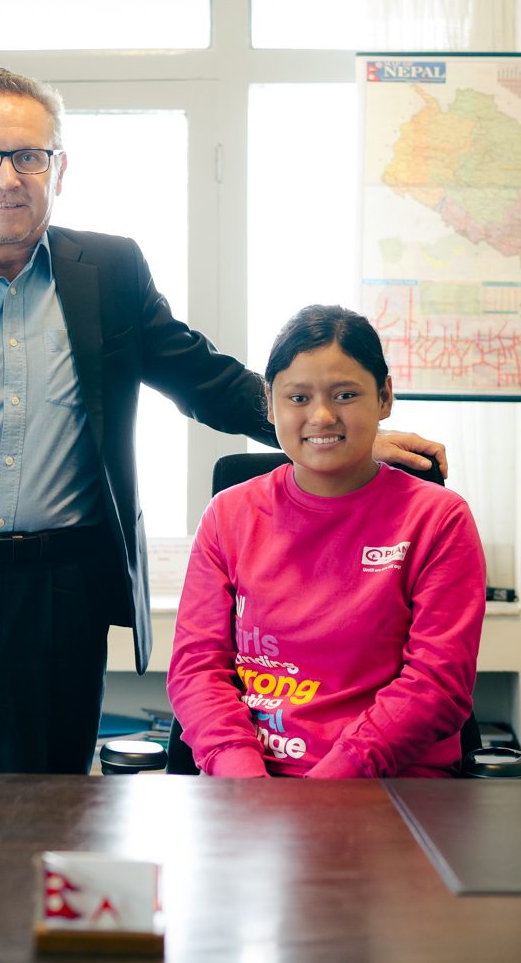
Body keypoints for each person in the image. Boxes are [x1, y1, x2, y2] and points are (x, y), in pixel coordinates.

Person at [0, 69, 446, 963]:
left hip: (56, 596)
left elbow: (200, 378)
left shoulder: (105, 271)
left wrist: (332, 434)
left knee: (50, 850)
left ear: (58, 169)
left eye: (27, 155)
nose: (5, 177)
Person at [167, 305, 486, 778]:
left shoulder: (437, 520)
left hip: (384, 787)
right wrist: (244, 780)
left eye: (345, 394)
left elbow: (436, 685)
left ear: (385, 398)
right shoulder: (228, 516)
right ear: (270, 405)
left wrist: (328, 786)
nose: (321, 415)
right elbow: (197, 669)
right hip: (251, 788)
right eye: (297, 397)